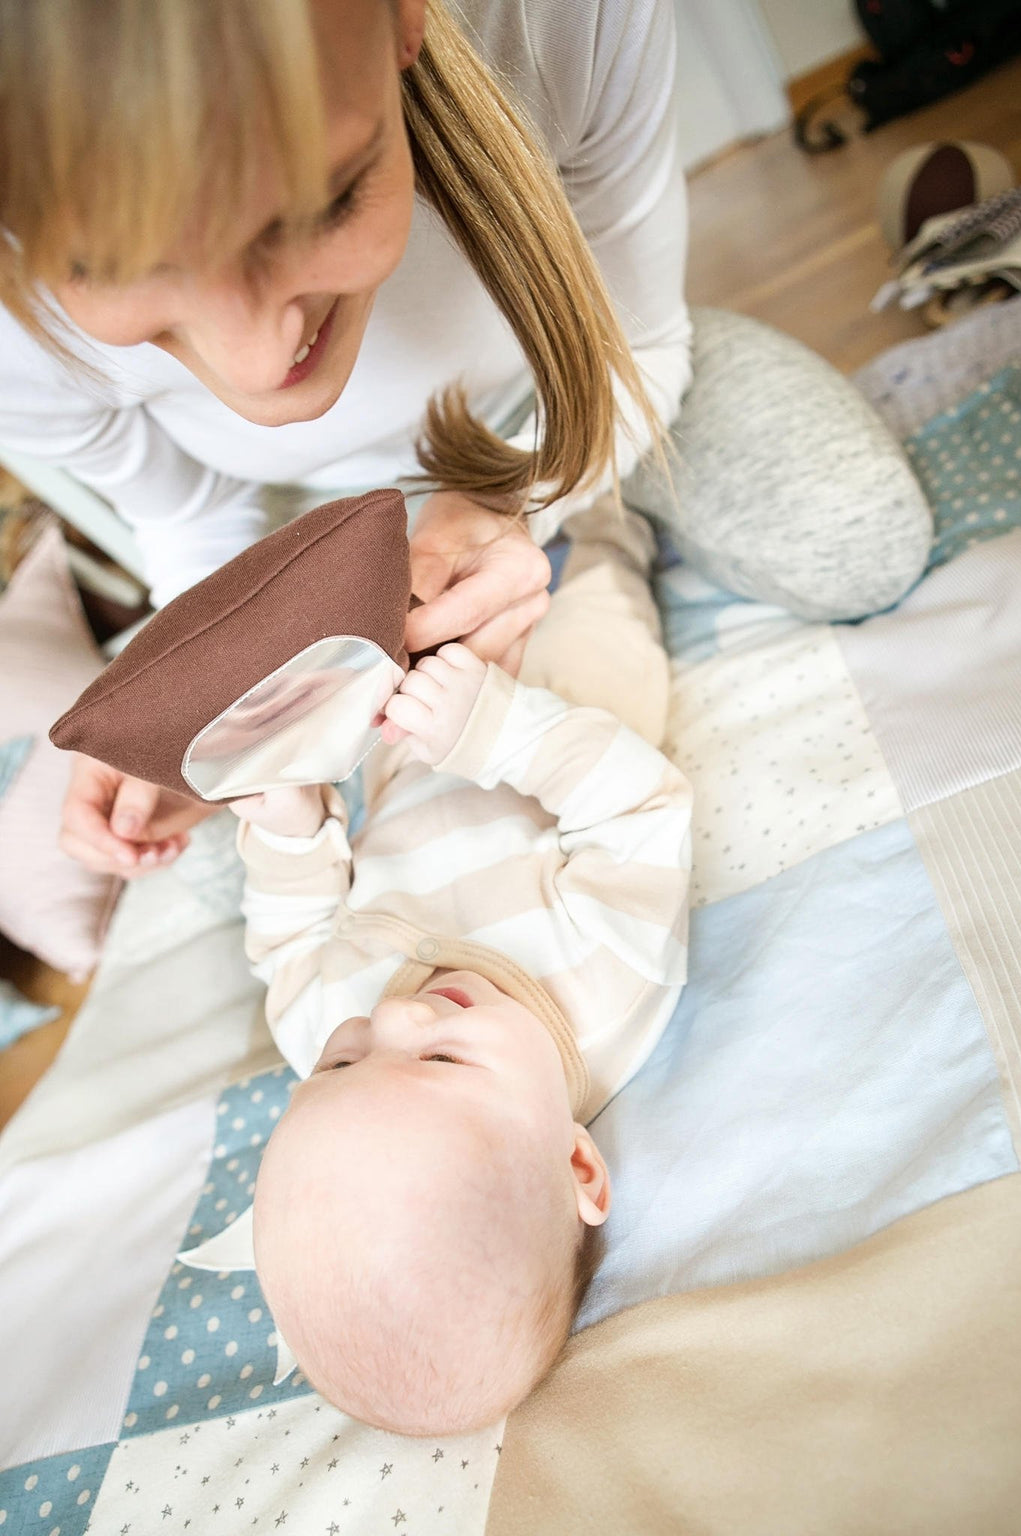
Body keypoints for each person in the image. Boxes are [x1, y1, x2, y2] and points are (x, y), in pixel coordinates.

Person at [0, 0, 928, 882]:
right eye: (108, 271)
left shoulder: (551, 22)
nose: (260, 361)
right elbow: (193, 515)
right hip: (316, 521)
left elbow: (642, 340)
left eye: (324, 206)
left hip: (590, 378)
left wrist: (514, 496)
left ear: (406, 22)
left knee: (857, 540)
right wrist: (219, 704)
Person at [228, 502, 692, 1434]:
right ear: (575, 1161)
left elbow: (292, 938)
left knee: (405, 616)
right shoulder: (606, 985)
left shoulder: (330, 1025)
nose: (390, 1021)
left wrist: (289, 832)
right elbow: (639, 809)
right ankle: (616, 515)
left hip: (408, 751)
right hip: (564, 731)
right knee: (602, 608)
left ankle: (485, 507)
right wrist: (499, 729)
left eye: (338, 1067)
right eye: (441, 1064)